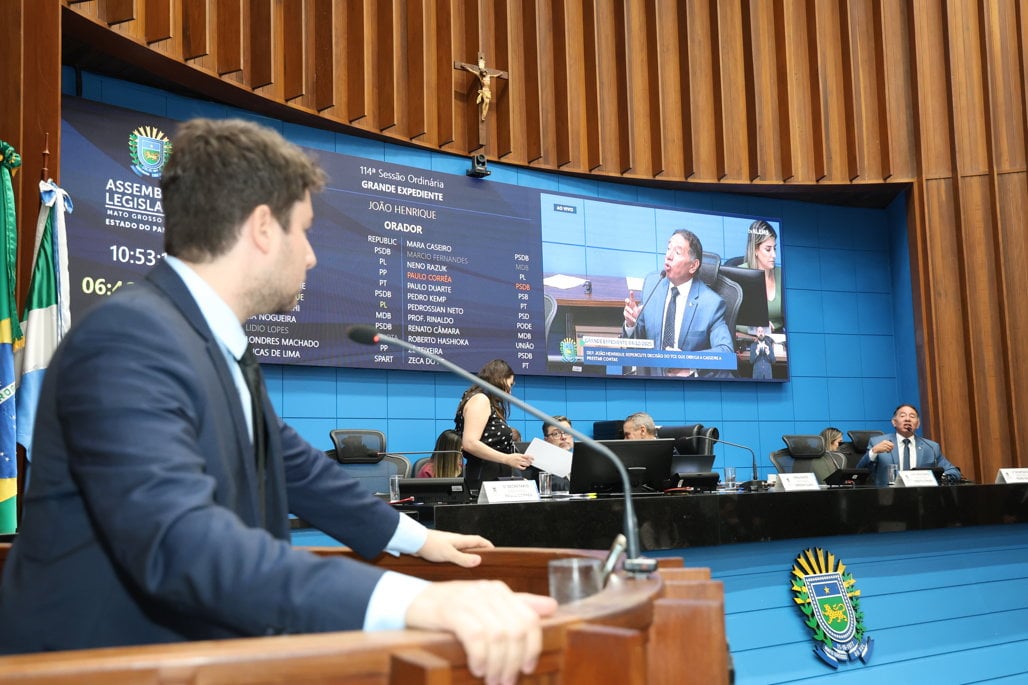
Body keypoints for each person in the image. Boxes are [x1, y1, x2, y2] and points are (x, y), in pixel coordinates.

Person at [0, 119, 556, 682]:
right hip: (95, 667)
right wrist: (413, 600)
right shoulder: (128, 341)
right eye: (305, 231)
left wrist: (419, 538)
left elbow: (296, 468)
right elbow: (183, 545)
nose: (311, 257)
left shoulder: (214, 342)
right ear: (263, 228)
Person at [622, 229, 733, 377]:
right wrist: (631, 325)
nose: (668, 256)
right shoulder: (652, 284)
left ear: (693, 266)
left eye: (677, 252)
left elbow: (726, 353)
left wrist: (687, 362)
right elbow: (640, 341)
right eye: (668, 249)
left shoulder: (711, 304)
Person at [454, 359, 532, 492]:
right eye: (510, 385)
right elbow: (470, 443)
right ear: (499, 379)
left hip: (494, 476)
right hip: (483, 476)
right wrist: (506, 458)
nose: (510, 392)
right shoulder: (480, 399)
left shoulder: (486, 401)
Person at [856, 404, 961, 487]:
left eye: (912, 416)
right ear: (894, 422)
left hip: (920, 498)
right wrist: (873, 452)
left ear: (918, 424)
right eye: (902, 416)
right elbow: (860, 473)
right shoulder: (877, 443)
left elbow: (953, 471)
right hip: (887, 499)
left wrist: (937, 477)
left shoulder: (930, 447)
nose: (907, 419)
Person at [739, 219, 784, 333]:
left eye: (774, 248)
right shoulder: (741, 274)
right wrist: (755, 328)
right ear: (755, 250)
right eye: (768, 249)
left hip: (780, 337)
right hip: (751, 338)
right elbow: (730, 318)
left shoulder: (783, 275)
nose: (774, 255)